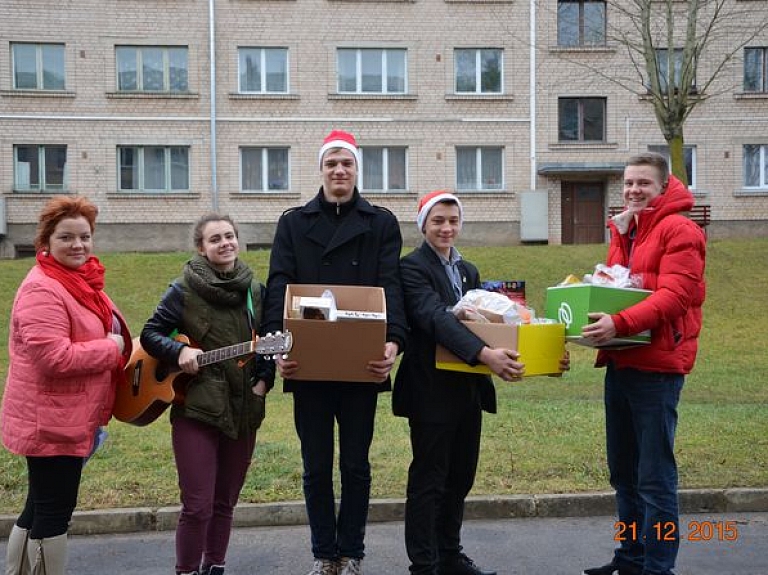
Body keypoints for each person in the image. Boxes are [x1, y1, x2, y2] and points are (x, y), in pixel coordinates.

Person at [393, 190, 569, 575]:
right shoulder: (411, 268)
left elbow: (491, 323)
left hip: (468, 390)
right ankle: (424, 565)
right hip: (430, 390)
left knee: (460, 477)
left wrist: (543, 352)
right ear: (424, 225)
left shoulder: (468, 270)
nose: (446, 228)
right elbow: (435, 318)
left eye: (453, 221)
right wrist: (485, 355)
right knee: (429, 480)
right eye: (438, 220)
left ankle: (450, 555)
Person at [263, 129, 408, 575]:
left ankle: (354, 552)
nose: (339, 171)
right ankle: (325, 554)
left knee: (356, 465)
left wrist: (395, 340)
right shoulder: (293, 222)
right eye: (331, 164)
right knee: (315, 467)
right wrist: (275, 346)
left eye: (346, 163)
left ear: (356, 169)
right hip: (308, 363)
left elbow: (391, 286)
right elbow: (278, 286)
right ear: (321, 170)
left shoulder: (381, 222)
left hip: (362, 362)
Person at [580, 152, 706, 575]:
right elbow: (620, 285)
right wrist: (619, 237)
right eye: (629, 183)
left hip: (657, 369)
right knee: (624, 475)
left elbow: (675, 298)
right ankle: (630, 558)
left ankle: (658, 566)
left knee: (654, 479)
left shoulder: (680, 229)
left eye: (643, 184)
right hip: (623, 363)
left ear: (664, 186)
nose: (633, 190)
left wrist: (618, 323)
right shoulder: (634, 230)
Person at [1, 195, 132, 575]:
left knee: (39, 504)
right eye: (67, 238)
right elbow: (54, 358)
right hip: (51, 421)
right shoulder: (43, 289)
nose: (79, 245)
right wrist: (110, 348)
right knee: (54, 510)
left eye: (85, 236)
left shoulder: (76, 280)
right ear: (46, 242)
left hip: (64, 416)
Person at [140, 213, 274, 575]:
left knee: (224, 503)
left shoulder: (254, 291)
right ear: (201, 247)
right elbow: (151, 333)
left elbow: (267, 347)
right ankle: (186, 569)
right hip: (195, 409)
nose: (225, 243)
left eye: (230, 236)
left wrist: (263, 384)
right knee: (197, 505)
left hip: (244, 407)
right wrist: (178, 352)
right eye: (215, 239)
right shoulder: (182, 288)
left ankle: (215, 565)